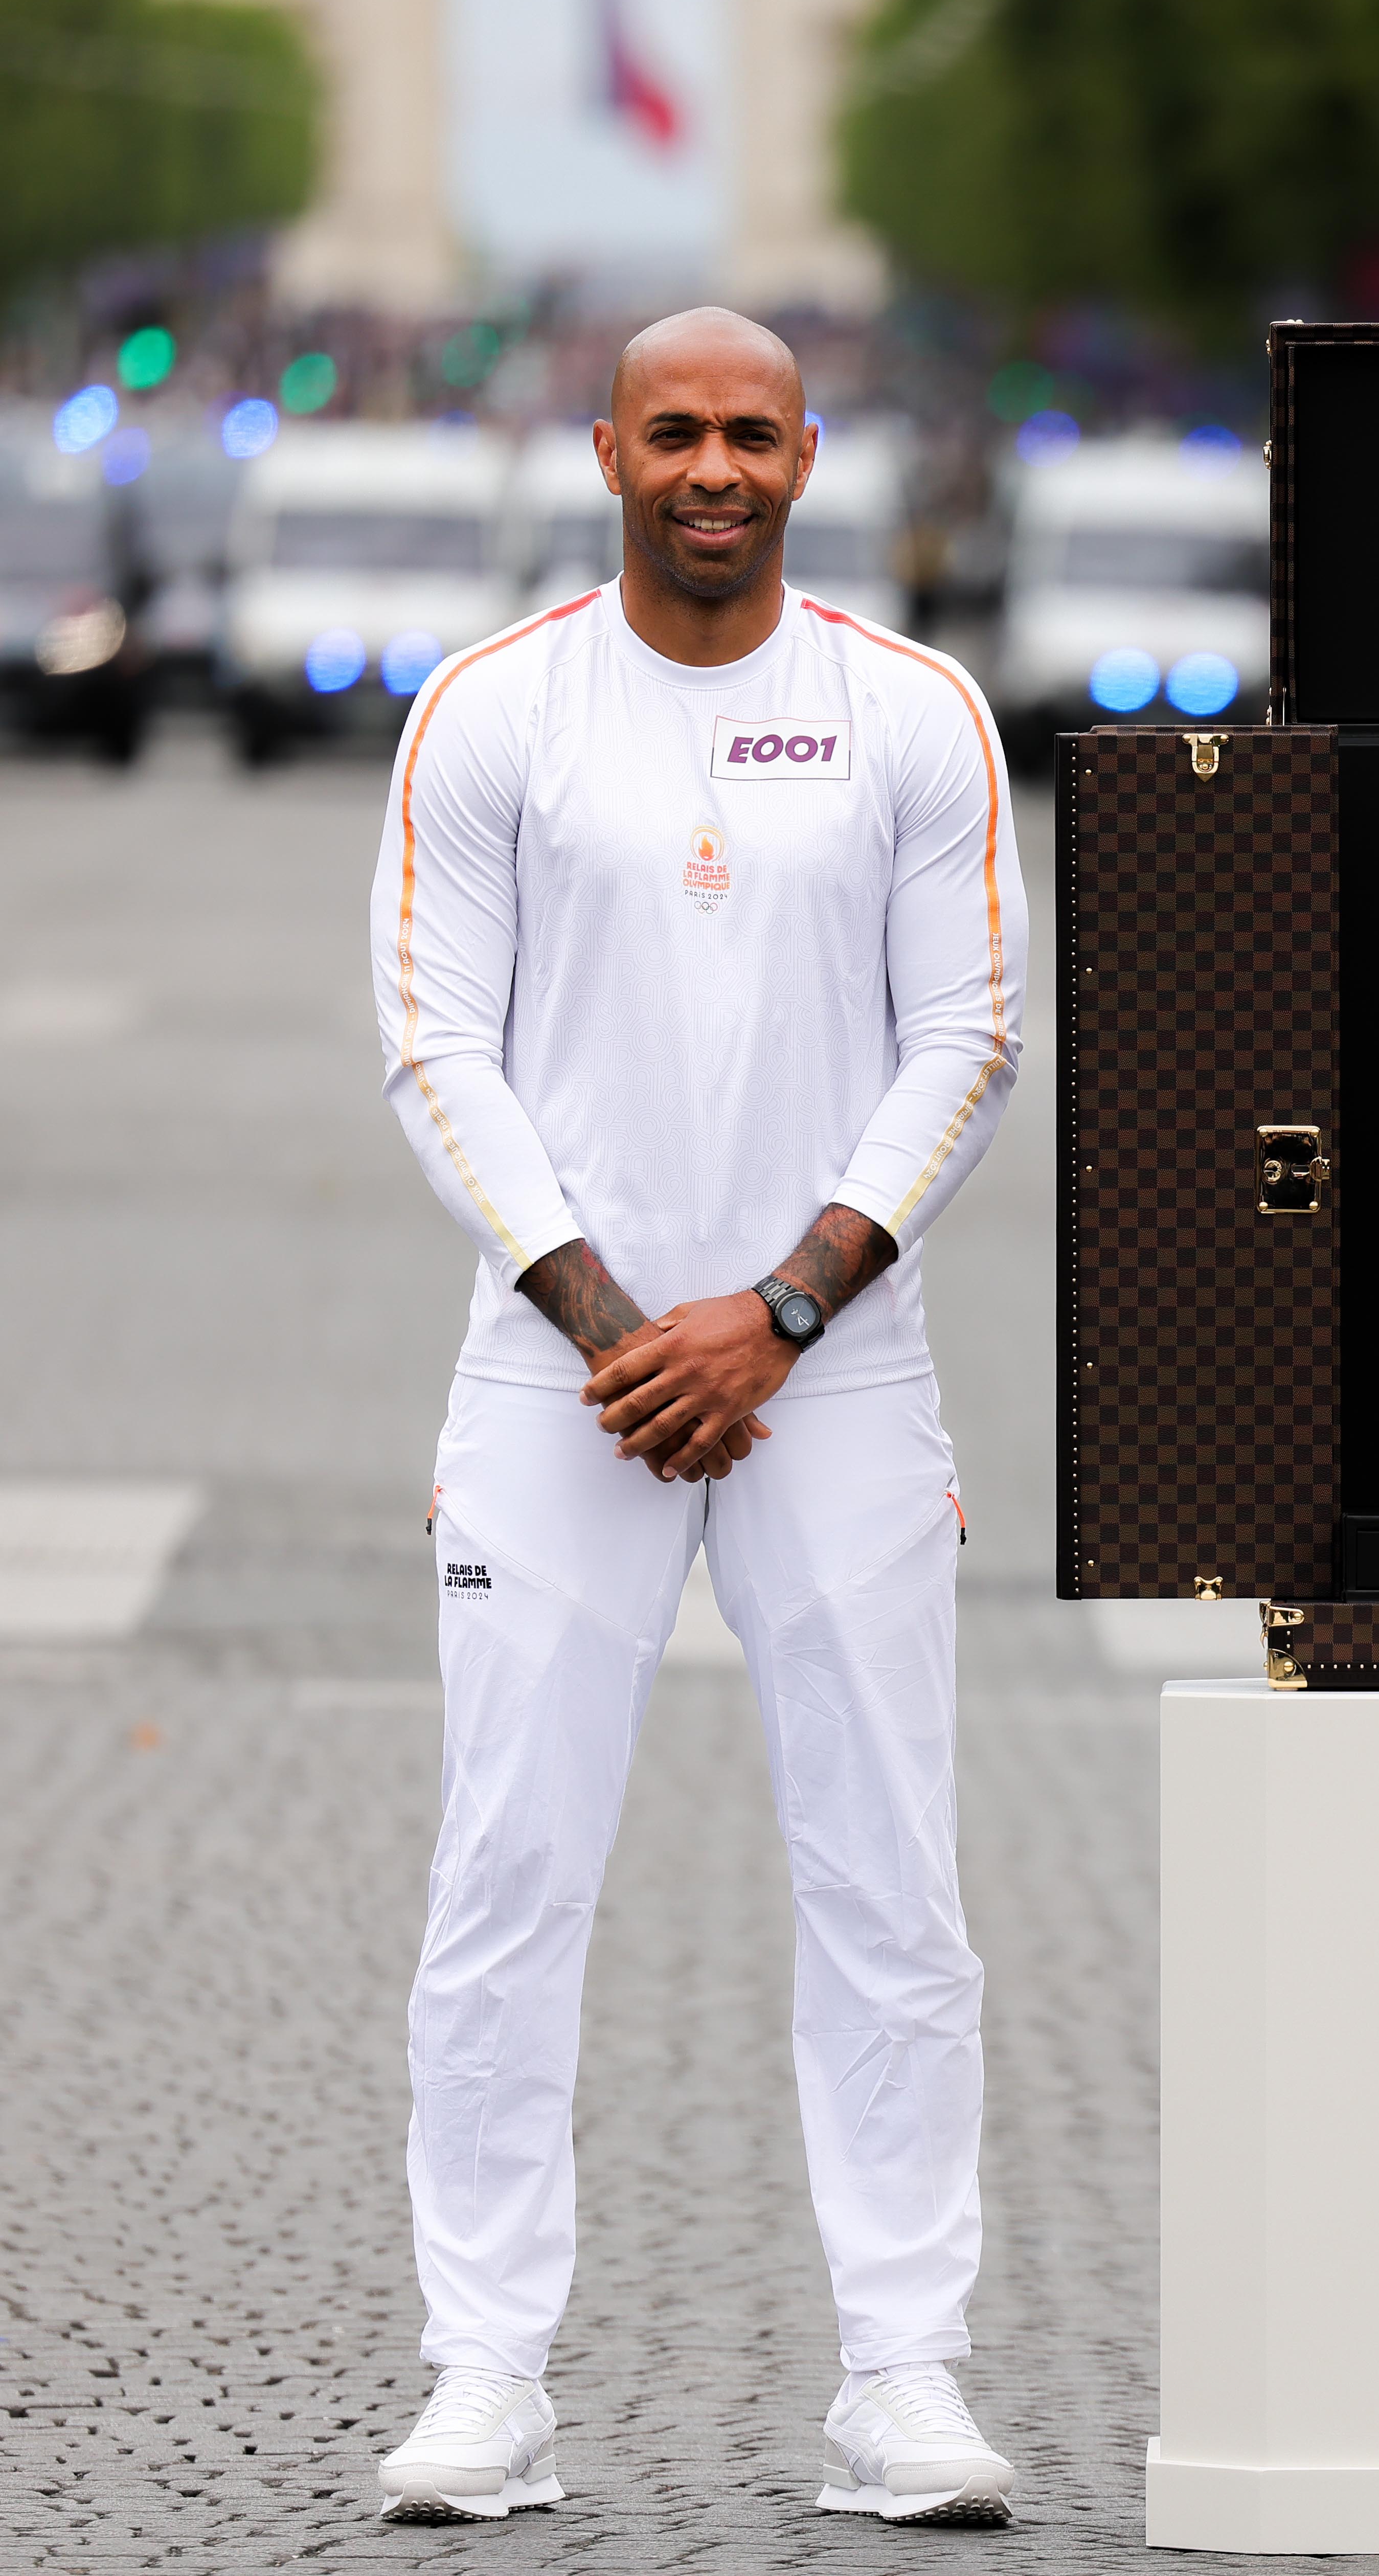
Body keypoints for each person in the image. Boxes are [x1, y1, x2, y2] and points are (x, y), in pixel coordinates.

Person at [364, 309, 1028, 2528]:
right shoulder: (495, 711)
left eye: (753, 432)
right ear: (609, 450)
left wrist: (776, 1311)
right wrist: (610, 1317)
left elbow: (965, 1042)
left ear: (810, 455)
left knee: (887, 1888)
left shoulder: (913, 713)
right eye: (679, 433)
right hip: (562, 1373)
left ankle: (904, 2383)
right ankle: (485, 2380)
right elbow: (437, 1047)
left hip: (829, 1373)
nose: (716, 467)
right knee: (508, 1875)